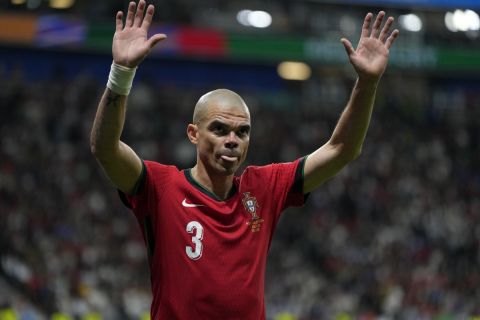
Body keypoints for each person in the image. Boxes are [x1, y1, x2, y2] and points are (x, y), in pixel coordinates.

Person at [90, 1, 399, 319]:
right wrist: (122, 73)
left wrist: (367, 83)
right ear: (194, 134)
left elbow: (342, 149)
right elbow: (105, 148)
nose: (232, 140)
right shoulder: (160, 187)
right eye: (219, 129)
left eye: (242, 132)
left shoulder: (264, 188)